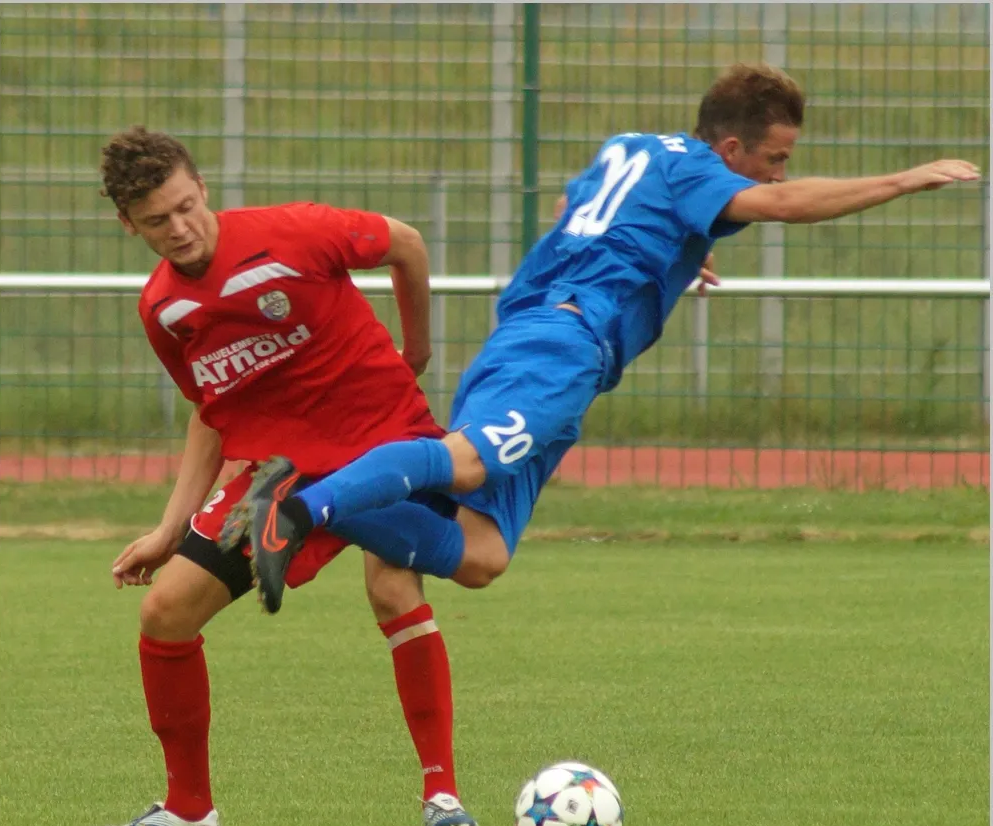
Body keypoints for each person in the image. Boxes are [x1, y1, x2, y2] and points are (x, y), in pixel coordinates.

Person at [230, 62, 981, 612]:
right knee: (464, 464)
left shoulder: (633, 147)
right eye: (776, 160)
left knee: (483, 555)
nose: (781, 176)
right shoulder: (699, 172)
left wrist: (672, 248)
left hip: (545, 336)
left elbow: (576, 206)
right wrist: (902, 180)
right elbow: (784, 208)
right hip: (562, 342)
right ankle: (300, 510)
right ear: (730, 149)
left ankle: (306, 487)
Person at [87, 126, 479, 826]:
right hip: (284, 475)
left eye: (185, 207)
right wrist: (169, 530)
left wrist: (417, 349)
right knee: (165, 613)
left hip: (384, 440)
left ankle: (443, 796)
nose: (179, 228)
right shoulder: (164, 311)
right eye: (156, 221)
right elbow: (213, 413)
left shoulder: (296, 232)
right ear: (128, 224)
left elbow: (407, 243)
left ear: (203, 188)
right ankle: (188, 813)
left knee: (393, 590)